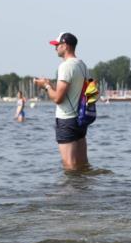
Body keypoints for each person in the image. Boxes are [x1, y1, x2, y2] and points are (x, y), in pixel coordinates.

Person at [34, 32, 90, 170]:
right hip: (81, 119)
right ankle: (84, 189)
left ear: (65, 46)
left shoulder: (65, 66)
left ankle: (70, 191)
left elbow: (58, 99)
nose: (55, 48)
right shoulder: (82, 65)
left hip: (67, 120)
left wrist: (46, 86)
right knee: (83, 164)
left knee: (69, 165)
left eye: (57, 45)